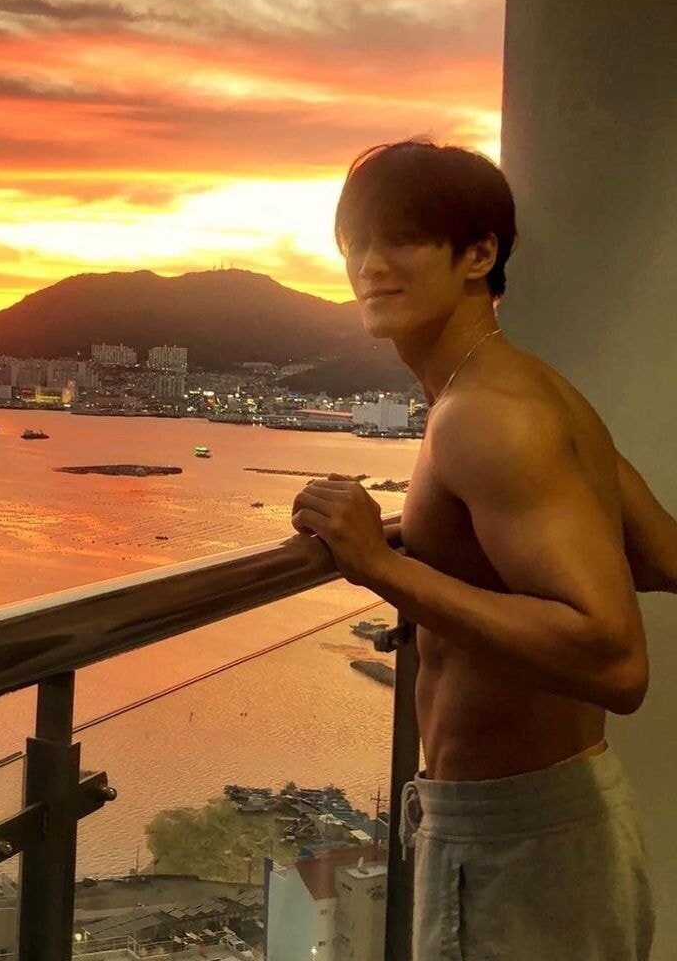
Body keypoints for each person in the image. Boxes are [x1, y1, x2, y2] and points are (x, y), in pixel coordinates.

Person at [290, 140, 677, 960]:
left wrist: (383, 565)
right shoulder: (532, 390)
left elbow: (616, 663)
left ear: (479, 255)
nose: (370, 265)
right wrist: (455, 564)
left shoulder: (483, 416)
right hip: (562, 822)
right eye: (356, 242)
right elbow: (662, 558)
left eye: (402, 239)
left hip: (517, 843)